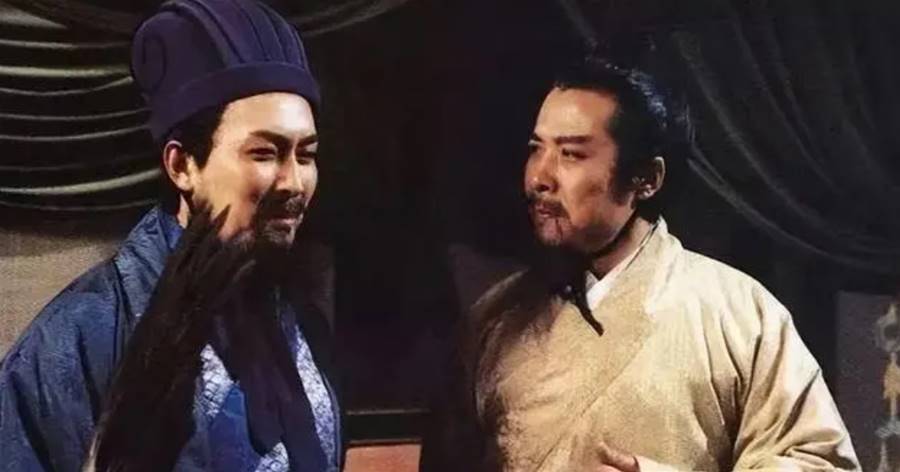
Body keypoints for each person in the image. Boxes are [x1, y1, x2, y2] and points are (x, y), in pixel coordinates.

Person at [421, 58, 860, 471]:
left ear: (646, 179)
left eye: (571, 154)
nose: (539, 177)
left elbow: (817, 462)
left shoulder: (738, 314)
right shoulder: (494, 321)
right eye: (537, 149)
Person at [0, 0, 342, 470]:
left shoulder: (299, 316)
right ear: (182, 166)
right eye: (265, 153)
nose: (294, 182)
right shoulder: (81, 338)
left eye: (306, 155)